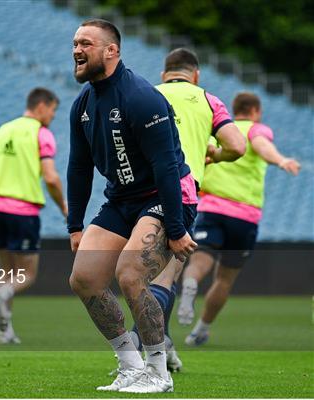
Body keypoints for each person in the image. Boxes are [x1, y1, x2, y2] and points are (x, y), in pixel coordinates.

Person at [68, 19, 198, 393]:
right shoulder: (83, 105)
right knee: (84, 279)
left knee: (129, 273)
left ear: (112, 51)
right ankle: (130, 364)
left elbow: (167, 168)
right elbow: (78, 167)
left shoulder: (142, 97)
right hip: (121, 200)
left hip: (165, 196)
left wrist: (175, 229)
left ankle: (158, 372)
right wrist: (75, 225)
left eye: (86, 43)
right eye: (75, 43)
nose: (77, 50)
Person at [129, 48, 246, 372]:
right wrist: (214, 155)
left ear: (165, 73)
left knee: (139, 276)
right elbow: (237, 146)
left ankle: (162, 344)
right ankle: (139, 345)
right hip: (179, 194)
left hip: (135, 195)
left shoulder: (145, 95)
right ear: (195, 75)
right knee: (165, 277)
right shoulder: (207, 99)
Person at [177, 92, 301, 345]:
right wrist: (281, 159)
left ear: (235, 109)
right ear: (255, 111)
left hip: (211, 209)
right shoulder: (257, 130)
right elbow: (262, 147)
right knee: (224, 278)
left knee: (200, 262)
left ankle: (189, 287)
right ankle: (200, 329)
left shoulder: (222, 132)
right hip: (244, 217)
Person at [0, 87, 67, 344]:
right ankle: (2, 295)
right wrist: (64, 206)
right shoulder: (41, 134)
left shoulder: (3, 130)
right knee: (26, 275)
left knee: (7, 270)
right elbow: (51, 178)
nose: (52, 116)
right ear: (41, 106)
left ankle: (4, 331)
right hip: (22, 211)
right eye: (52, 110)